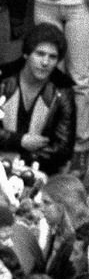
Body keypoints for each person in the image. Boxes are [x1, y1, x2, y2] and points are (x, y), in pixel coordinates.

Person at [0, 22, 76, 175]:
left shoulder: (63, 91)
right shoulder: (3, 81)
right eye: (40, 54)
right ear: (26, 54)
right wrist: (20, 141)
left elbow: (63, 149)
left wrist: (22, 161)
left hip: (40, 171)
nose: (45, 62)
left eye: (52, 57)